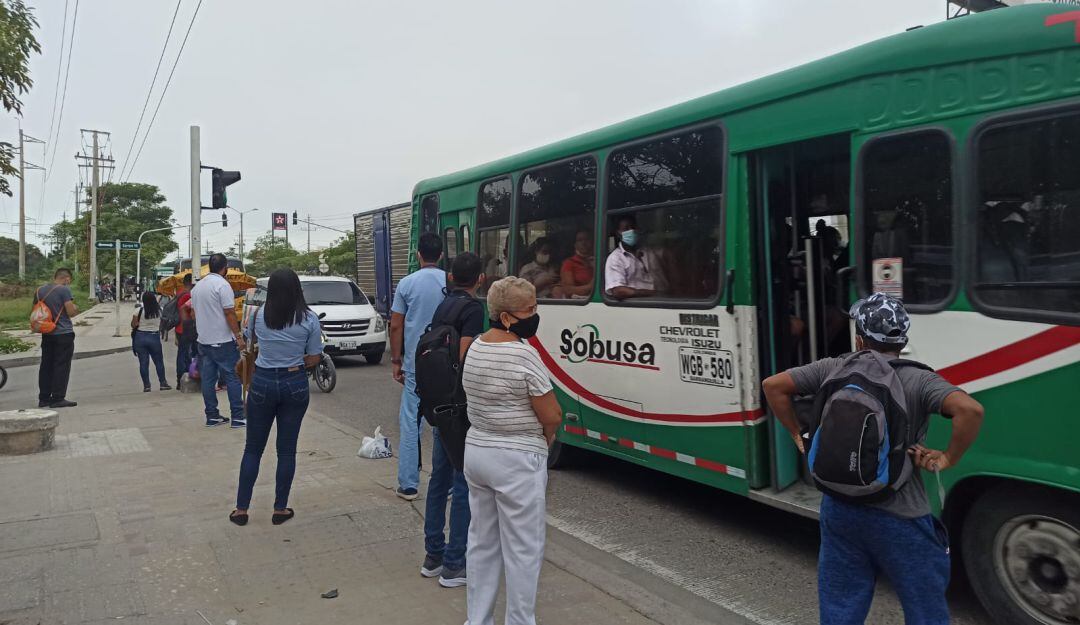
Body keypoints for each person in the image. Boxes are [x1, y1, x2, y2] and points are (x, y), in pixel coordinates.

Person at [762, 293, 985, 625]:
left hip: (839, 510)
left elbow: (773, 386)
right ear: (903, 339)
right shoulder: (919, 379)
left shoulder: (833, 367)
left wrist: (798, 434)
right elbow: (970, 410)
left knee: (841, 606)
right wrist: (947, 458)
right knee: (925, 607)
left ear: (859, 338)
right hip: (900, 514)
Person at [461, 276, 562, 625]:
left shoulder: (475, 346)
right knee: (523, 549)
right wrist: (547, 437)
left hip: (477, 452)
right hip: (516, 459)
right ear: (506, 317)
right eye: (529, 310)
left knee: (482, 543)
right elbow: (551, 414)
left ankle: (478, 619)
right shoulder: (524, 354)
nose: (535, 315)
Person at [230, 268, 323, 527]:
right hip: (294, 383)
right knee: (286, 451)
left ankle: (241, 509)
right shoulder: (309, 319)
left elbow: (249, 343)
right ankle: (280, 508)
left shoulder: (258, 316)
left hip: (262, 383)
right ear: (297, 289)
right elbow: (314, 358)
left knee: (252, 449)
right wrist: (294, 360)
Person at [421, 252, 485, 589]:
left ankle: (433, 555)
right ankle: (454, 564)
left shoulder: (443, 305)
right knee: (462, 484)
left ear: (450, 278)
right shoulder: (473, 309)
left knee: (438, 479)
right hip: (459, 405)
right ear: (480, 279)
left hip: (438, 402)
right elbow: (465, 353)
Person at [389, 232, 446, 500]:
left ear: (418, 255)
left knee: (411, 422)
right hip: (446, 363)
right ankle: (446, 483)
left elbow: (396, 324)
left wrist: (396, 360)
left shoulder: (406, 284)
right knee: (444, 421)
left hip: (416, 363)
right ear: (442, 255)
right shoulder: (450, 281)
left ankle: (409, 485)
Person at [191, 254, 247, 428]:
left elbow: (193, 314)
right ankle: (238, 417)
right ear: (226, 268)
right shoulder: (222, 285)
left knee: (208, 380)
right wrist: (238, 337)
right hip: (222, 341)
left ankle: (212, 416)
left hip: (204, 341)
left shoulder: (197, 287)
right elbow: (229, 313)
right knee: (232, 377)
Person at [33, 268, 79, 408]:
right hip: (63, 333)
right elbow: (71, 312)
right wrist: (75, 308)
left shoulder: (39, 290)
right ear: (65, 278)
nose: (68, 283)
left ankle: (44, 398)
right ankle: (58, 398)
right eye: (68, 281)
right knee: (61, 365)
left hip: (47, 333)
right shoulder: (64, 290)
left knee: (46, 365)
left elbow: (36, 310)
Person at [605, 215, 667, 300]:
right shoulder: (615, 258)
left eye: (633, 227)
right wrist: (652, 293)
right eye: (626, 229)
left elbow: (667, 255)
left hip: (665, 299)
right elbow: (618, 290)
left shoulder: (649, 252)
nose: (631, 231)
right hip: (639, 303)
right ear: (618, 233)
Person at [131, 291, 172, 392]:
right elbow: (162, 322)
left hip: (140, 337)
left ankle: (147, 386)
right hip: (154, 337)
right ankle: (163, 383)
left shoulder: (138, 311)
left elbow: (133, 325)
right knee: (158, 361)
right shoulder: (159, 311)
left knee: (143, 363)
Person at [174, 274, 195, 388]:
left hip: (179, 328)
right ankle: (182, 377)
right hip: (185, 328)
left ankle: (181, 378)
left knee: (183, 353)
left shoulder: (179, 293)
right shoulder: (187, 295)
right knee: (185, 354)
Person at [560, 229, 594, 299]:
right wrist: (591, 286)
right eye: (580, 240)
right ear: (575, 245)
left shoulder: (600, 261)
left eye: (587, 239)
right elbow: (568, 290)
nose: (584, 243)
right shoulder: (569, 263)